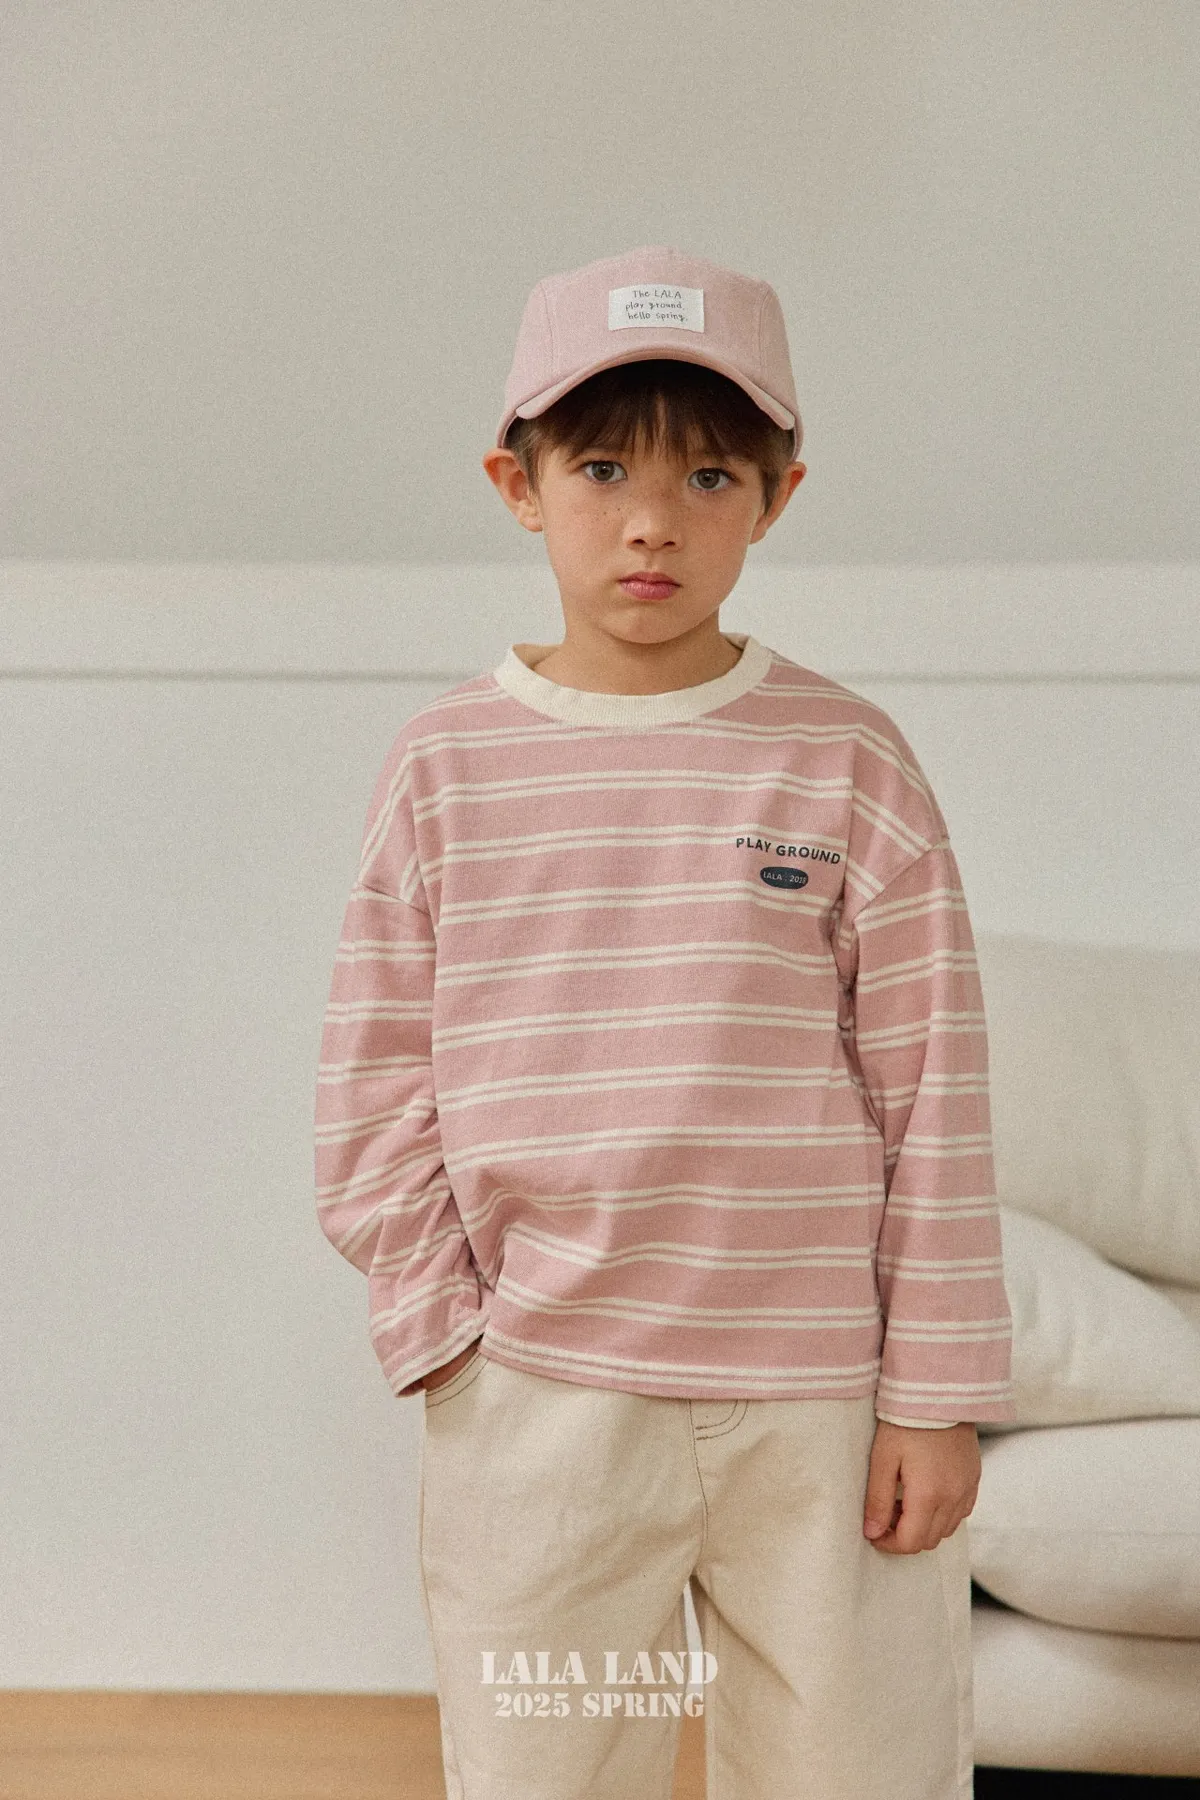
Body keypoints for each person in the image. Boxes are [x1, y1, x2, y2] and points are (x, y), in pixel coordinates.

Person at [314, 245, 1016, 1800]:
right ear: (517, 484)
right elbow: (371, 1090)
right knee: (549, 1775)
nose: (652, 521)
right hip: (542, 1397)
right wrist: (451, 1344)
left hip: (822, 1404)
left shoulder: (848, 757)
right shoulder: (444, 765)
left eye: (709, 475)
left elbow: (936, 1094)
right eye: (602, 469)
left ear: (777, 497)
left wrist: (937, 1397)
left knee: (859, 1772)